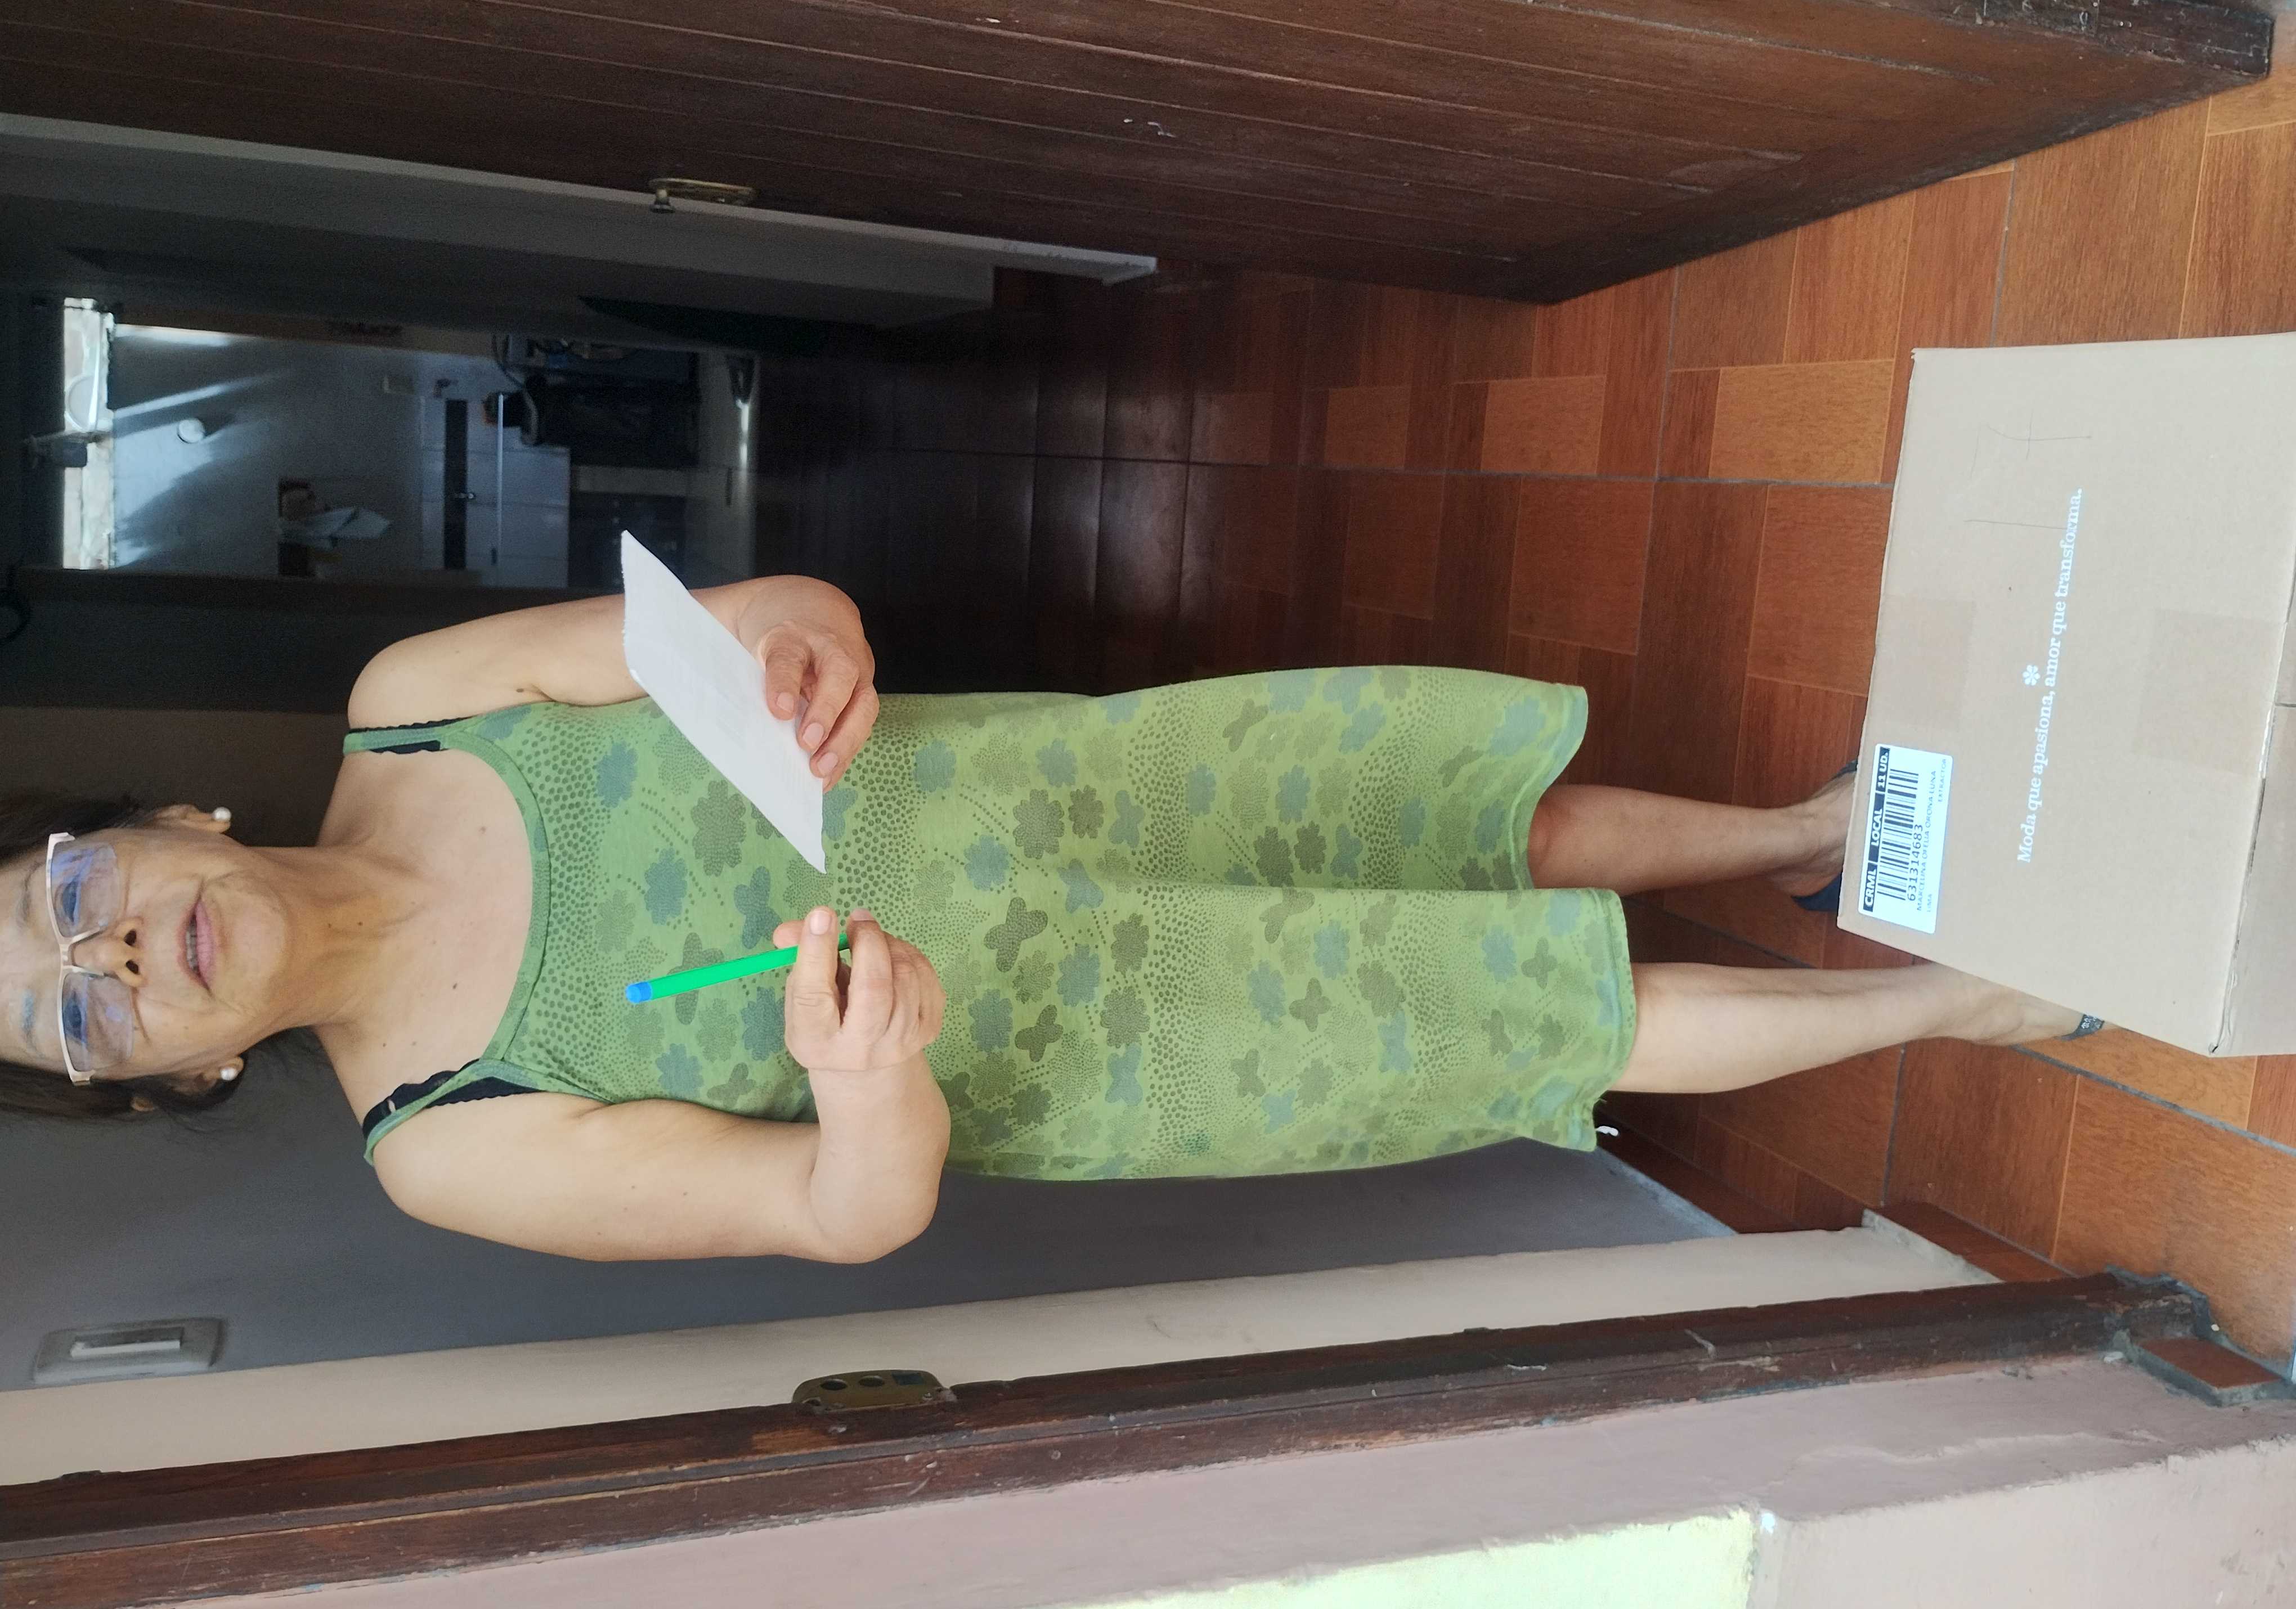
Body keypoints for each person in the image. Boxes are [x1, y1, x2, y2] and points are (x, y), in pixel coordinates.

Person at [0, 573, 2087, 1264]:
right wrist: (862, 1085)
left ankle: (1805, 833)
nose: (113, 959)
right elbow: (838, 1215)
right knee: (1534, 1013)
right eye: (77, 1018)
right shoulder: (442, 1145)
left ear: (160, 823)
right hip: (1126, 1034)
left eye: (71, 899)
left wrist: (804, 639)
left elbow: (754, 619)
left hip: (1088, 785)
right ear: (168, 1083)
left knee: (1476, 826)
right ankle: (1964, 1003)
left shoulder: (416, 701)